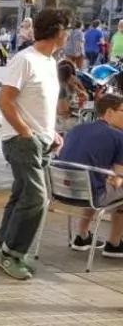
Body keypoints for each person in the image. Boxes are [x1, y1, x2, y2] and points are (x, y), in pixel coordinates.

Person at [0, 8, 69, 280]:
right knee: (36, 198)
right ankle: (12, 253)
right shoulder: (24, 60)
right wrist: (25, 132)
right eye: (67, 30)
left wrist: (51, 133)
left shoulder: (49, 62)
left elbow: (39, 104)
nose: (69, 35)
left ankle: (2, 249)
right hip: (21, 141)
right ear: (57, 32)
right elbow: (5, 101)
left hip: (41, 141)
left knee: (21, 196)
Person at [57, 93, 123, 257]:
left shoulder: (76, 129)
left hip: (61, 192)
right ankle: (114, 244)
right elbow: (118, 179)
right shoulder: (118, 137)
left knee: (94, 182)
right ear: (109, 112)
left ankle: (82, 236)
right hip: (91, 194)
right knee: (113, 189)